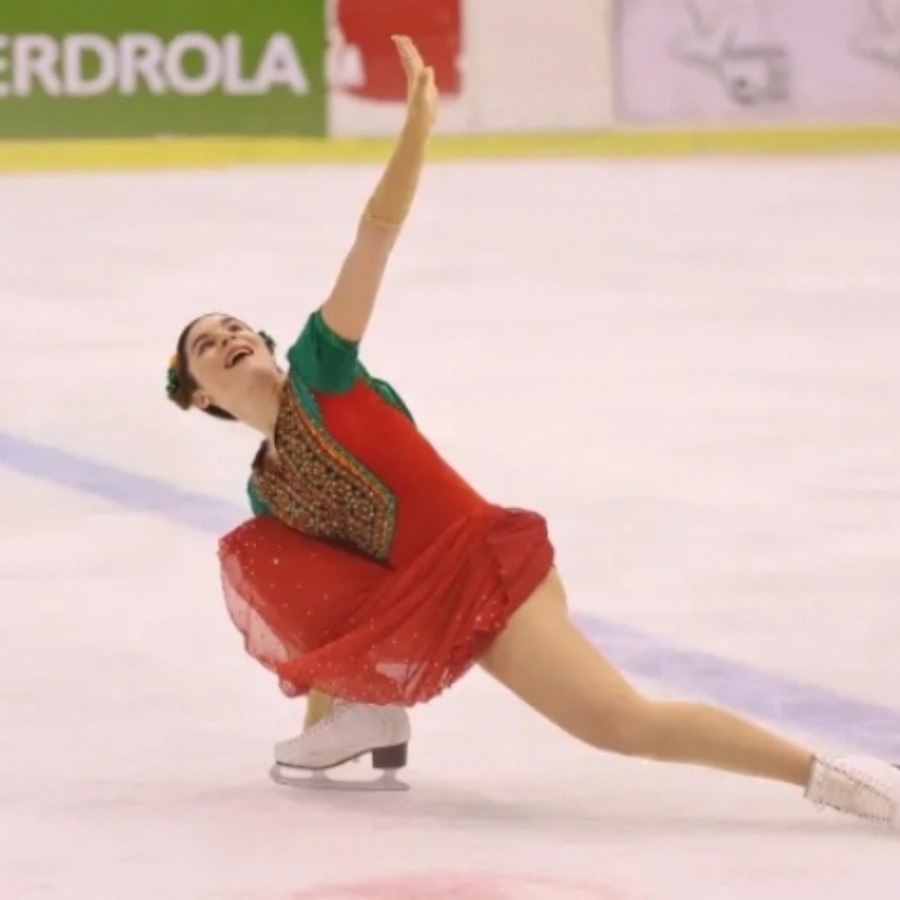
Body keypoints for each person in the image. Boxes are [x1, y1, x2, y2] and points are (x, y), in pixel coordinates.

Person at [166, 35, 899, 825]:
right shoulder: (266, 485)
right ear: (202, 396)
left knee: (620, 723)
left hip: (489, 570)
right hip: (436, 602)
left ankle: (850, 777)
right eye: (206, 344)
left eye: (235, 324)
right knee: (269, 556)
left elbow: (374, 232)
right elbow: (339, 605)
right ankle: (367, 718)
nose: (227, 337)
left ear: (268, 342)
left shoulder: (321, 372)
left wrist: (416, 126)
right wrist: (332, 714)